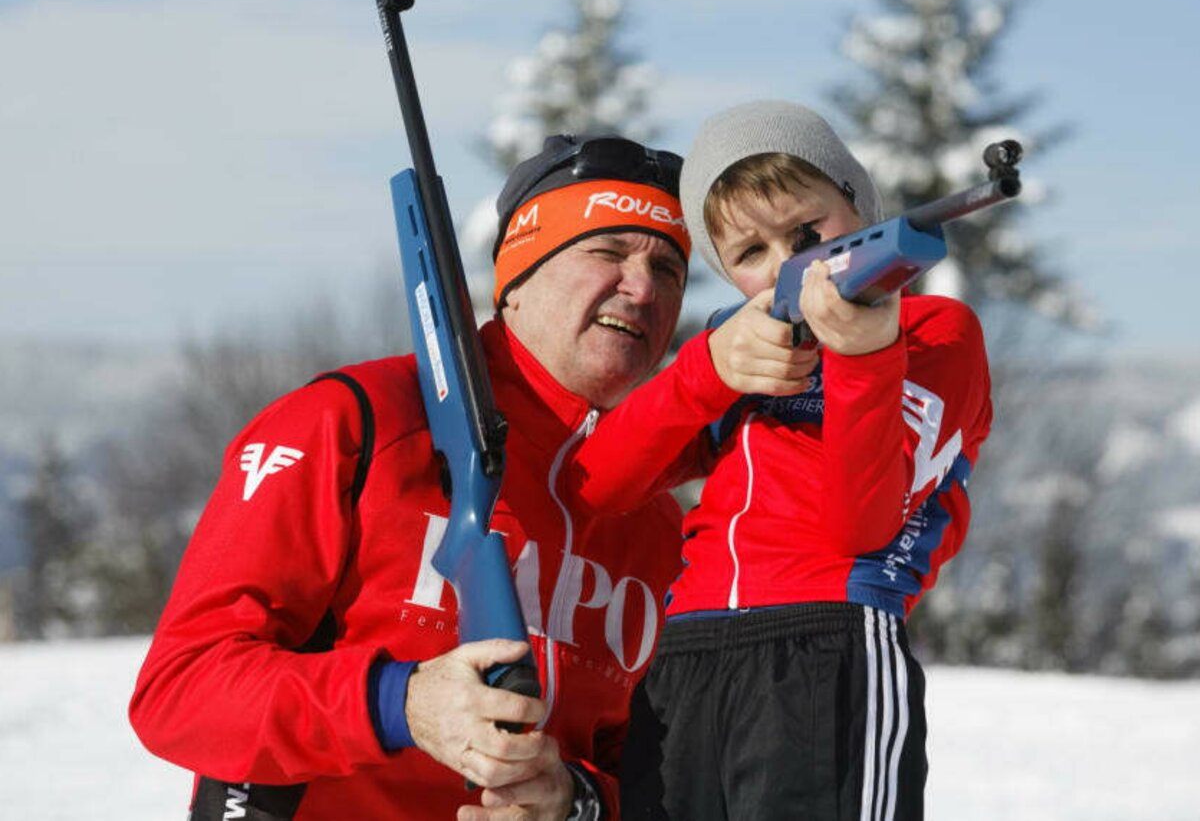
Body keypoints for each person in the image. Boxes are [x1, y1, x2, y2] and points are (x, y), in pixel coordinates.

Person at [130, 135, 710, 820]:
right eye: (608, 251)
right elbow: (180, 693)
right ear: (517, 280)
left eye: (669, 268)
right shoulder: (355, 421)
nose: (642, 287)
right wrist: (399, 703)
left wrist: (576, 801)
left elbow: (655, 780)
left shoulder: (662, 529)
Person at [563, 101, 993, 820]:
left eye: (805, 231)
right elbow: (599, 481)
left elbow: (861, 524)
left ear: (860, 208)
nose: (787, 264)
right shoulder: (743, 350)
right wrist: (706, 372)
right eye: (749, 254)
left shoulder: (935, 335)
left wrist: (864, 357)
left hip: (827, 646)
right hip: (684, 660)